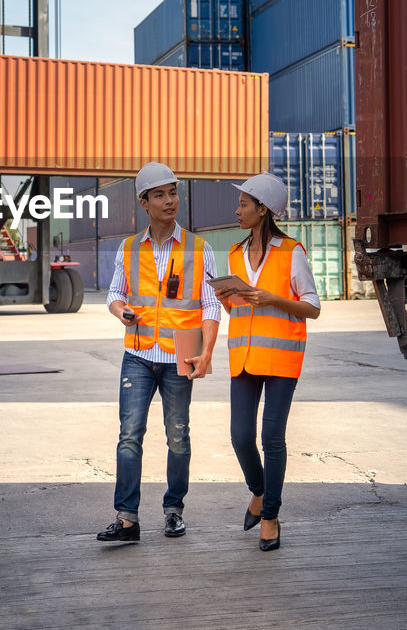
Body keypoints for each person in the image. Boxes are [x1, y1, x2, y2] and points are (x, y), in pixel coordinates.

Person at [96, 162, 221, 543]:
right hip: (138, 351)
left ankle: (173, 511)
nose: (170, 201)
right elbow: (115, 294)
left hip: (181, 354)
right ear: (144, 202)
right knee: (129, 435)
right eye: (160, 195)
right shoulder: (129, 246)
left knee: (177, 436)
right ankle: (127, 519)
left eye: (173, 193)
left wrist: (206, 352)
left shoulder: (200, 247)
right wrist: (122, 312)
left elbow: (212, 305)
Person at [213, 173, 320, 552]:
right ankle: (258, 492)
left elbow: (313, 307)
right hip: (243, 358)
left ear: (263, 209)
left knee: (271, 438)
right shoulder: (233, 253)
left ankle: (270, 516)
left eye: (244, 204)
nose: (237, 210)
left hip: (281, 359)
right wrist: (227, 297)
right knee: (240, 436)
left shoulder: (292, 251)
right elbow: (236, 309)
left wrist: (272, 299)